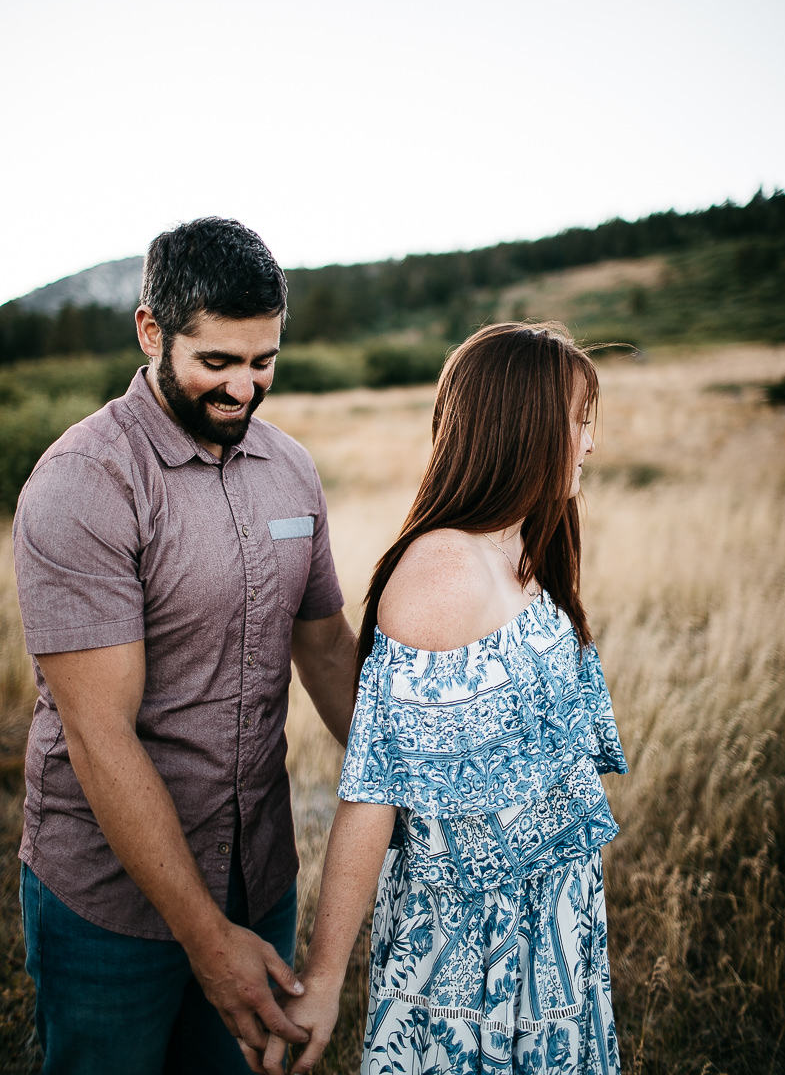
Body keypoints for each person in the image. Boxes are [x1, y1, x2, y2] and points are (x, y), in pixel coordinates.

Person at [12, 217, 356, 1075]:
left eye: (264, 361)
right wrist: (206, 939)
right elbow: (100, 734)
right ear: (151, 332)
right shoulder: (83, 484)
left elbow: (324, 652)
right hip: (109, 907)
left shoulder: (292, 471)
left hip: (262, 873)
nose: (245, 387)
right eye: (217, 362)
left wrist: (422, 784)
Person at [254, 322, 628, 1075]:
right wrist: (324, 981)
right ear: (519, 427)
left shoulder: (522, 546)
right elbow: (375, 788)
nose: (590, 445)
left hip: (548, 923)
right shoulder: (444, 574)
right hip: (473, 952)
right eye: (577, 423)